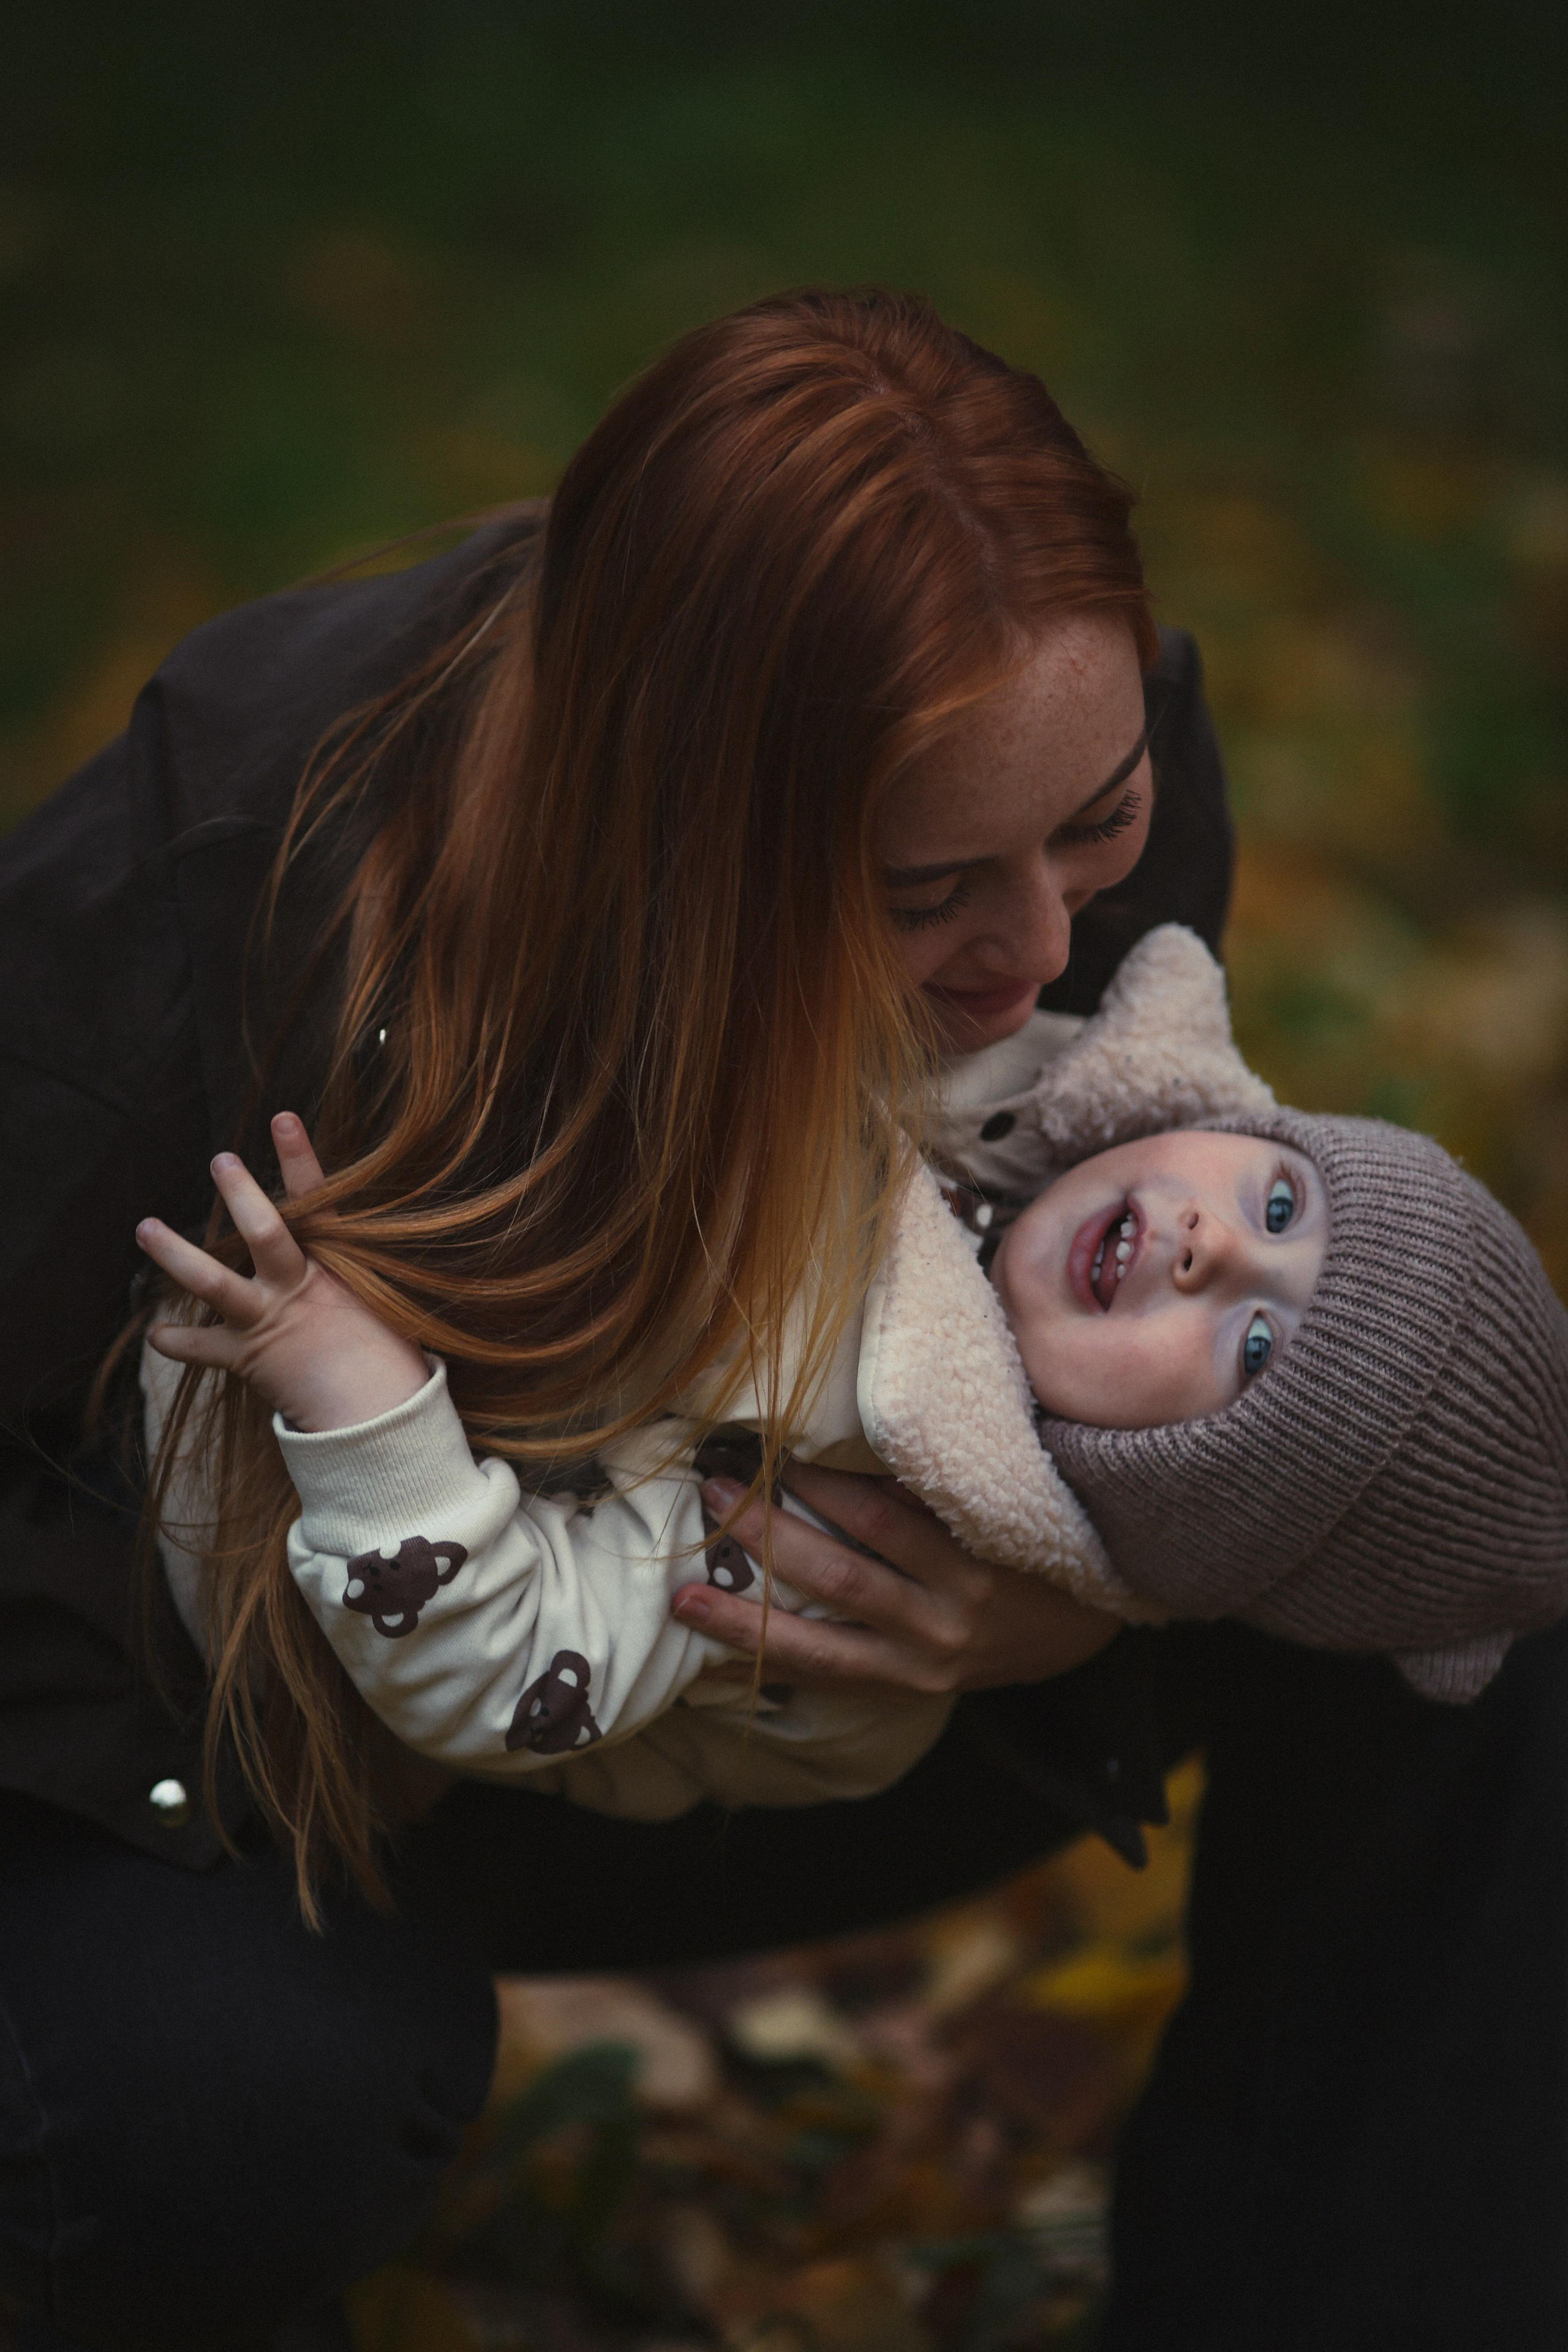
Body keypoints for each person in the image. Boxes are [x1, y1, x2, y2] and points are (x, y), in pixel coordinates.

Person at [1, 290, 1563, 2352]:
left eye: (1092, 824)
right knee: (220, 2103)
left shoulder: (1065, 774)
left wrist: (1078, 1603)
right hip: (253, 1748)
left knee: (1478, 1496)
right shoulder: (187, 911)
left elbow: (1191, 1316)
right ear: (671, 838)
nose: (1035, 950)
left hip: (778, 1703)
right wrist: (325, 1670)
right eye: (925, 891)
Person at [135, 922, 1567, 1838]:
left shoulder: (854, 1533)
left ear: (1176, 1491)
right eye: (1278, 1208)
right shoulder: (1013, 1099)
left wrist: (346, 1389)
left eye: (1255, 1352)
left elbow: (510, 1679)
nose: (1206, 1253)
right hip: (244, 1195)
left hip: (207, 1552)